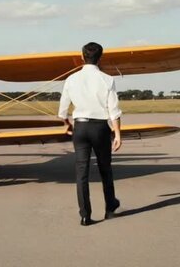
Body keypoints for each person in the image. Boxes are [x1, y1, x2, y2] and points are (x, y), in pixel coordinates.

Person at [58, 42, 122, 226]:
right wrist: (117, 134)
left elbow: (62, 111)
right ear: (100, 58)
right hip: (100, 128)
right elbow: (114, 110)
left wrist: (67, 124)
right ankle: (110, 207)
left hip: (80, 127)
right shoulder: (107, 79)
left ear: (81, 56)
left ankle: (85, 215)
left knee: (81, 172)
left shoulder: (71, 79)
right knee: (105, 169)